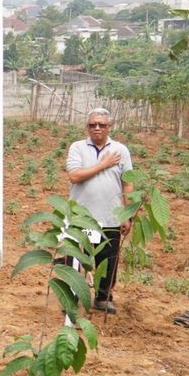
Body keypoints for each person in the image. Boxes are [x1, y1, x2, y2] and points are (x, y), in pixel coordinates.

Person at [65, 107, 134, 314]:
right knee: (74, 259)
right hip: (80, 218)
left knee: (108, 260)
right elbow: (74, 176)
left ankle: (103, 298)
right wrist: (103, 164)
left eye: (101, 125)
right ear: (87, 127)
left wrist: (127, 215)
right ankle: (72, 297)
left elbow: (127, 183)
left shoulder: (120, 150)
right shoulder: (77, 148)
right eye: (92, 125)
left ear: (109, 127)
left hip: (110, 218)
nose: (97, 128)